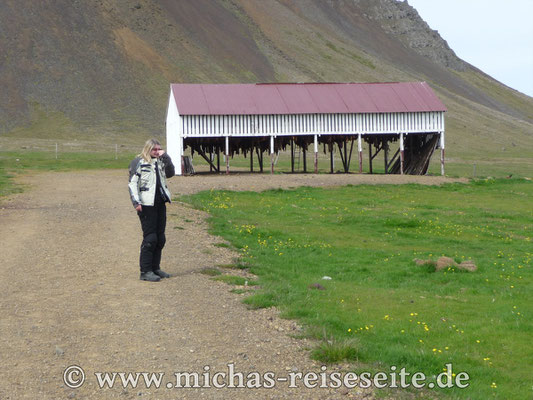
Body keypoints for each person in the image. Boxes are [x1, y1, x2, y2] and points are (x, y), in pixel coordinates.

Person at [128, 139, 175, 282]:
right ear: (148, 149)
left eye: (159, 149)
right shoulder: (138, 162)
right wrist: (136, 202)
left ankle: (155, 268)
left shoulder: (160, 162)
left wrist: (165, 156)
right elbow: (132, 184)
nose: (157, 151)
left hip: (160, 203)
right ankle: (145, 271)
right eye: (154, 149)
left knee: (160, 238)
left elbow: (170, 173)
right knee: (150, 238)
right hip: (146, 205)